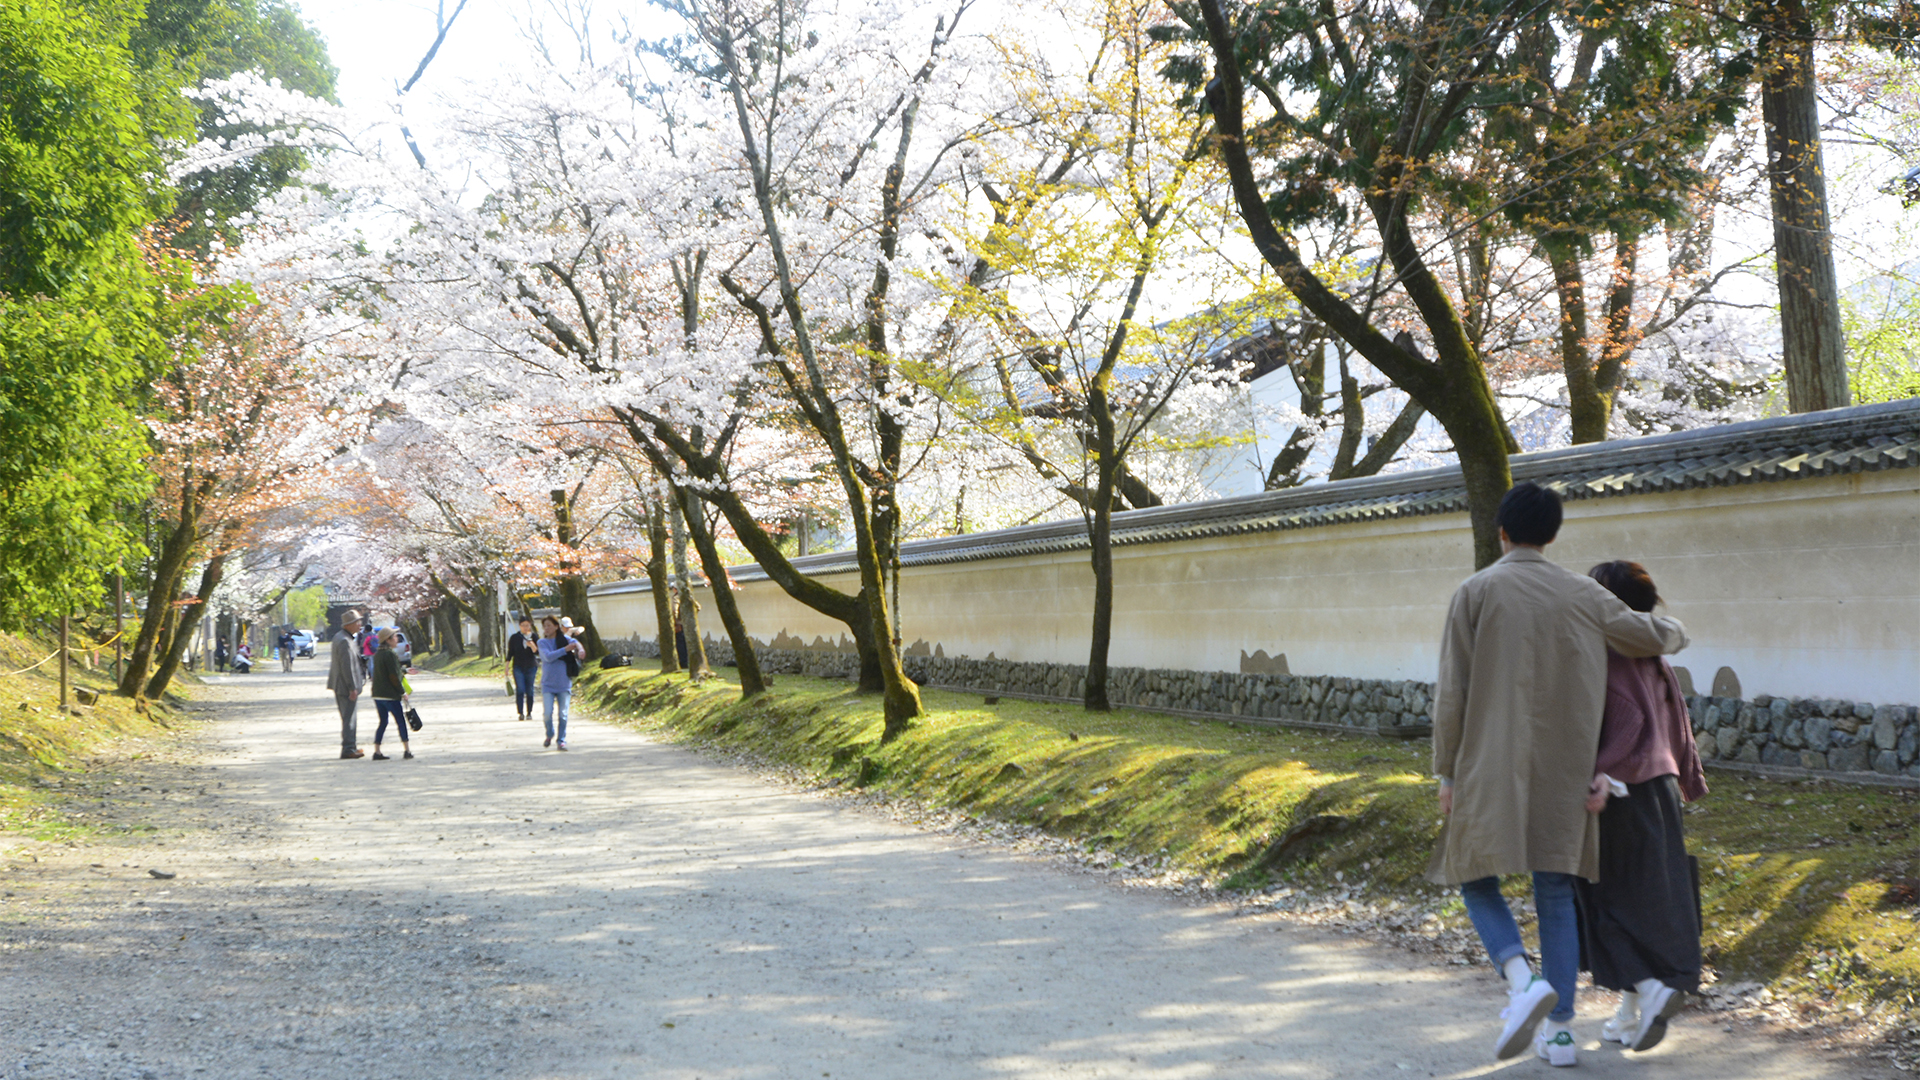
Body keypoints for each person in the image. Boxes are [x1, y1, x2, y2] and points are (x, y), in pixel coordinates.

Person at [1427, 482, 1689, 1067]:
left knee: (1472, 874)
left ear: (1501, 531)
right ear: (1553, 535)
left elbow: (1453, 692)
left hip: (1486, 763)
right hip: (1566, 769)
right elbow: (1648, 636)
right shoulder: (1582, 593)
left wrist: (1446, 771)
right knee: (1555, 892)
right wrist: (1677, 633)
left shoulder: (1475, 592)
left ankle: (1522, 980)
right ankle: (1562, 1032)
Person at [1579, 561, 1708, 1053]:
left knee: (1602, 899)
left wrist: (1602, 773)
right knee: (1652, 897)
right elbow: (1674, 724)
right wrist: (1688, 781)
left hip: (1616, 788)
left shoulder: (1604, 653)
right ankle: (1629, 1011)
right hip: (1661, 787)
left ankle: (1651, 990)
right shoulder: (1655, 653)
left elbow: (1623, 724)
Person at [537, 614, 585, 750]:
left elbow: (575, 642)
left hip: (564, 683)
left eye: (549, 625)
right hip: (548, 683)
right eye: (544, 626)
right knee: (547, 713)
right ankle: (550, 733)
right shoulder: (542, 643)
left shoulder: (564, 639)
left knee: (563, 714)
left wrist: (580, 649)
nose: (546, 628)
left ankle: (561, 740)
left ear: (556, 627)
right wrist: (565, 650)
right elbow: (548, 657)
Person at [326, 611, 367, 759]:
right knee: (349, 718)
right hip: (345, 686)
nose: (359, 624)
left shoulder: (342, 638)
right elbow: (347, 667)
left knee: (348, 717)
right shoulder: (344, 641)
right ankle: (348, 748)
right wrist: (352, 687)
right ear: (348, 625)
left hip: (342, 684)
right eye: (357, 622)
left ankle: (351, 746)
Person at [367, 627, 413, 761]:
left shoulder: (378, 654)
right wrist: (402, 692)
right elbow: (393, 675)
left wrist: (405, 670)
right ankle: (407, 750)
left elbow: (390, 671)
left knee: (383, 722)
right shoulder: (390, 654)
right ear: (388, 639)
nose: (397, 638)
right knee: (400, 721)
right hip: (390, 695)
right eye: (394, 636)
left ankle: (377, 750)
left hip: (377, 694)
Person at [506, 616, 540, 721]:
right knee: (520, 689)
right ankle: (520, 712)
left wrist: (532, 646)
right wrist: (506, 667)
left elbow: (538, 652)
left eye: (527, 625)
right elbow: (510, 653)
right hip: (518, 666)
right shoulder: (515, 638)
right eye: (523, 625)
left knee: (530, 690)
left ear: (530, 625)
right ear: (519, 626)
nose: (525, 627)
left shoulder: (534, 637)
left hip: (531, 666)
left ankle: (529, 712)